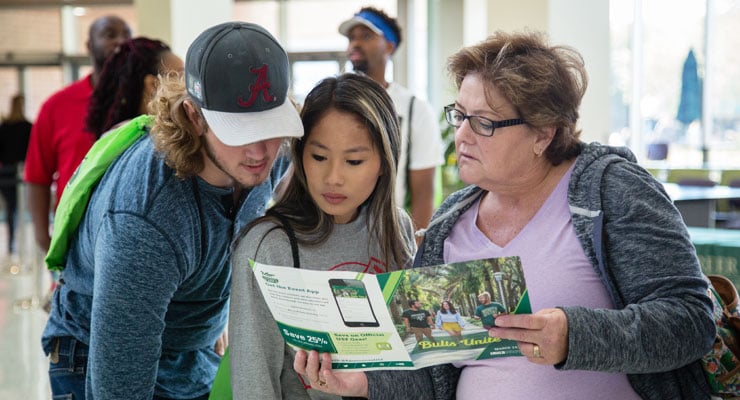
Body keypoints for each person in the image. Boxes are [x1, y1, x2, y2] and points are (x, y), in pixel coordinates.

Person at [294, 31, 715, 400]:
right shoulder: (448, 225)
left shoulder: (611, 191)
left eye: (484, 123)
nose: (460, 135)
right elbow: (432, 377)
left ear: (543, 133)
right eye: (459, 116)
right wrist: (366, 384)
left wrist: (575, 337)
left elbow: (692, 321)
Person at [41, 21, 303, 400]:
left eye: (271, 126)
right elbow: (119, 385)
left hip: (190, 348)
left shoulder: (261, 154)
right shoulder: (148, 218)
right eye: (239, 131)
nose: (260, 151)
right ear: (193, 117)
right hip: (98, 349)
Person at [229, 72, 428, 399]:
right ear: (300, 155)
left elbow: (412, 359)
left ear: (384, 162)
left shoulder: (395, 227)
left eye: (354, 161)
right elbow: (253, 381)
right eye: (319, 156)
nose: (333, 177)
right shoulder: (267, 246)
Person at [24, 15, 131, 253]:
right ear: (89, 46)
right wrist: (44, 239)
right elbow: (37, 176)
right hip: (74, 240)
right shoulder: (57, 105)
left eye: (127, 35)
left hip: (128, 238)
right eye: (110, 35)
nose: (121, 42)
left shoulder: (142, 104)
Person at [339, 6, 444, 235]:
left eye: (366, 36)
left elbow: (424, 193)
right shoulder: (333, 102)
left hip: (388, 234)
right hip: (333, 231)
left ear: (389, 46)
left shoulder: (416, 109)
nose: (355, 44)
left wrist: (416, 252)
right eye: (351, 38)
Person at [85, 37, 183, 138]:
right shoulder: (154, 142)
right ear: (153, 85)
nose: (186, 86)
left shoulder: (115, 137)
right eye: (179, 76)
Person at [0, 94, 32, 254]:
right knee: (18, 209)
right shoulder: (27, 127)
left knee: (11, 209)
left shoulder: (4, 127)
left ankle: (13, 243)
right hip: (18, 173)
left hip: (6, 173)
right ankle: (17, 244)